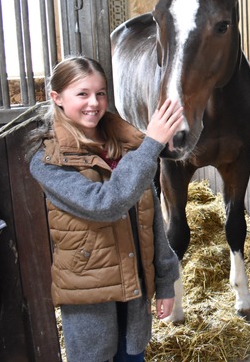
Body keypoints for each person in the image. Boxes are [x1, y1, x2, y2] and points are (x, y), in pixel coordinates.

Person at [27, 56, 184, 362]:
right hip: (91, 297)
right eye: (82, 94)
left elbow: (152, 222)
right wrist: (151, 145)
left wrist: (166, 283)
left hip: (134, 290)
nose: (94, 103)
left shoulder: (127, 147)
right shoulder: (49, 162)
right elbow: (105, 205)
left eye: (100, 93)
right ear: (57, 98)